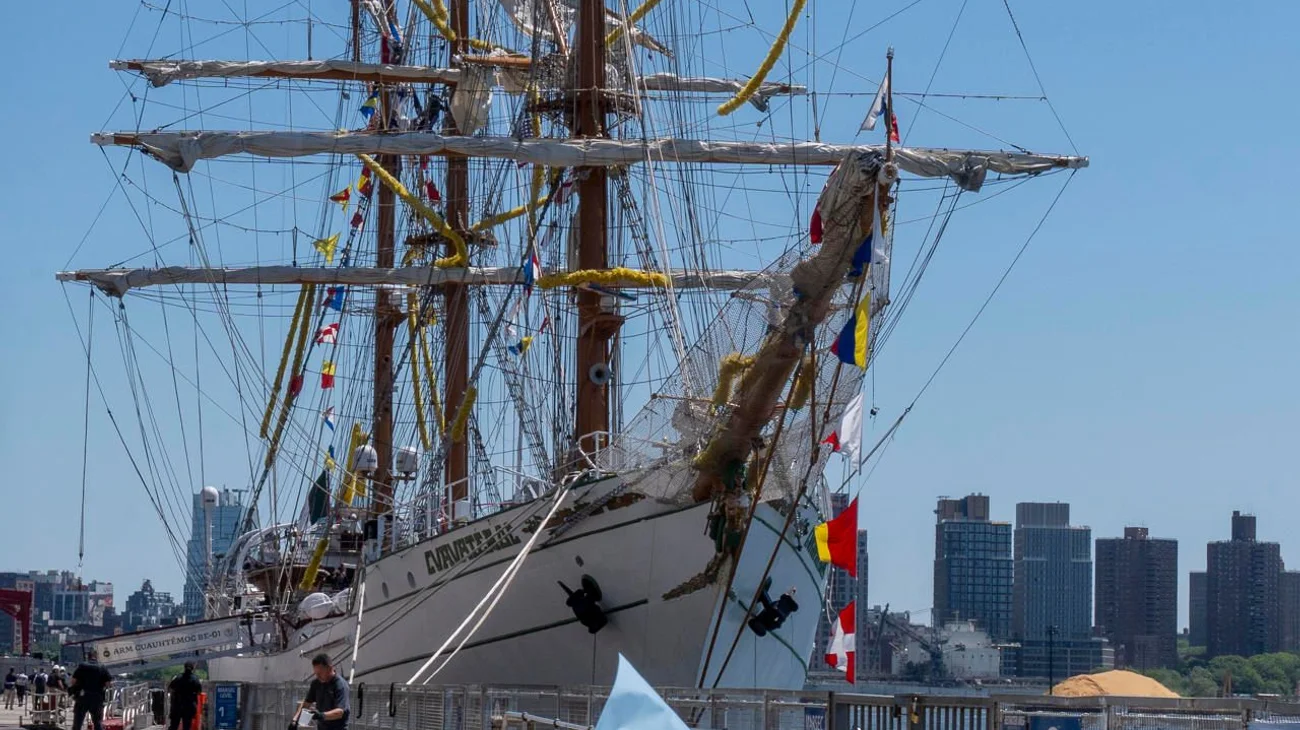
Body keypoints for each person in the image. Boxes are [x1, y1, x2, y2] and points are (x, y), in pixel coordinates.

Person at [294, 655, 349, 730]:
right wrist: (295, 720)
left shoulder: (340, 685)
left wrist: (321, 715)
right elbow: (306, 703)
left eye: (320, 673)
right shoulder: (316, 683)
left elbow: (340, 712)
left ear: (330, 668)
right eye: (316, 673)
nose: (318, 676)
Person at [69, 652, 113, 730]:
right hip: (97, 698)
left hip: (82, 697)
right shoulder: (102, 667)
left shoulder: (82, 666)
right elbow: (108, 684)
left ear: (88, 657)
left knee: (77, 723)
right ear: (96, 657)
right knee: (97, 723)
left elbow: (73, 681)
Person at [167, 662, 203, 730]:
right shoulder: (195, 679)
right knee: (187, 726)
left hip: (177, 705)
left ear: (184, 667)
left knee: (174, 726)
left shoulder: (178, 677)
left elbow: (170, 688)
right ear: (192, 668)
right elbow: (199, 691)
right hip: (189, 706)